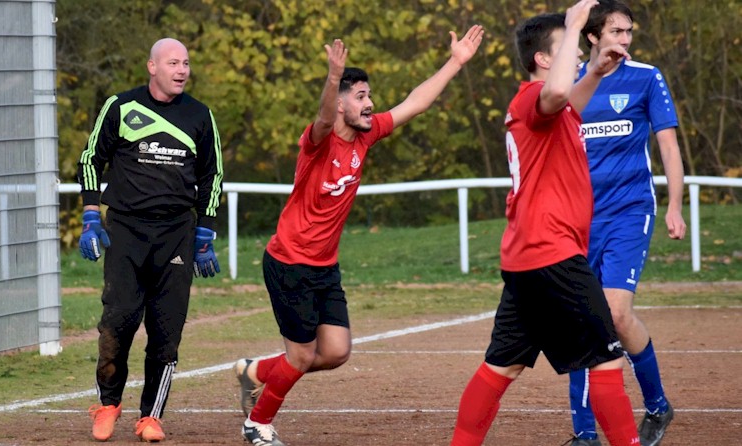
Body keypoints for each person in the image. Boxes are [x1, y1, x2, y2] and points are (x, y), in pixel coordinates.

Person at [232, 26, 484, 446]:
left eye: (369, 96)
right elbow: (324, 117)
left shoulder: (367, 136)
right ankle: (257, 423)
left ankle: (255, 372)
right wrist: (333, 78)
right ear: (344, 101)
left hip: (324, 265)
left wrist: (455, 62)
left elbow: (415, 103)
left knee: (334, 352)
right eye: (361, 97)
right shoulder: (318, 142)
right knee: (300, 357)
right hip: (289, 261)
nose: (371, 104)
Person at [449, 1, 642, 445]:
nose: (576, 53)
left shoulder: (545, 107)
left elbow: (566, 100)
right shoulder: (533, 98)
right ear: (542, 59)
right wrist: (575, 23)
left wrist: (594, 70)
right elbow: (555, 95)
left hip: (528, 257)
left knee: (504, 364)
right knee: (607, 359)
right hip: (552, 253)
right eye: (567, 47)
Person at [76, 37, 224, 442]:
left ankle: (151, 417)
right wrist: (91, 216)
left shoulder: (200, 115)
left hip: (176, 233)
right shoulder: (121, 106)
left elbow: (213, 176)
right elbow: (91, 159)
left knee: (165, 331)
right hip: (125, 231)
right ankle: (108, 404)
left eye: (187, 63)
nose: (182, 70)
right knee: (118, 321)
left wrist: (205, 232)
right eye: (173, 63)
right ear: (152, 67)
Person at [567, 1, 686, 445]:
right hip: (577, 219)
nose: (625, 39)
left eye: (628, 32)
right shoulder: (570, 80)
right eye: (616, 31)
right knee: (582, 319)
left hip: (630, 210)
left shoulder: (646, 76)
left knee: (615, 313)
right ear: (593, 36)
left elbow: (669, 147)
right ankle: (584, 435)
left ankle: (656, 406)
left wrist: (675, 205)